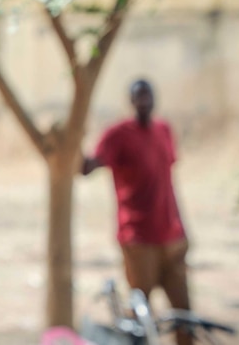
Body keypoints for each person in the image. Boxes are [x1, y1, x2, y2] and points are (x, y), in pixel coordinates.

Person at [82, 79, 191, 345]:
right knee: (140, 317)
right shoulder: (118, 134)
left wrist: (184, 229)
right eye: (139, 97)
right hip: (139, 239)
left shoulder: (164, 130)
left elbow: (169, 182)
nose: (144, 102)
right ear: (131, 101)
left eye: (148, 96)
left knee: (184, 315)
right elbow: (88, 167)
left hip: (171, 236)